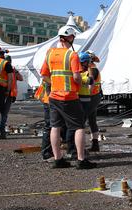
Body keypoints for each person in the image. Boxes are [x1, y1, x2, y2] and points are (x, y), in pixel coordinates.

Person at [40, 26, 96, 169]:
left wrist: (56, 84)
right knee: (79, 127)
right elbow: (77, 77)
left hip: (53, 96)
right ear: (70, 38)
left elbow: (45, 76)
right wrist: (82, 81)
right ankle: (81, 160)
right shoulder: (72, 55)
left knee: (55, 127)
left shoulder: (49, 53)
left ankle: (58, 159)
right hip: (69, 96)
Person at [77, 51, 102, 152]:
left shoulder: (92, 70)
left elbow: (90, 86)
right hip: (94, 97)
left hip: (91, 97)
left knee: (82, 120)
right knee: (92, 120)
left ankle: (80, 146)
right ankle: (95, 144)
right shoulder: (90, 69)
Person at [0, 55, 23, 139]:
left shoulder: (13, 70)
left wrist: (16, 72)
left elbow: (21, 78)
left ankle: (0, 131)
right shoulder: (2, 70)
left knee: (2, 113)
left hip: (9, 95)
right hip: (2, 93)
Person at [34, 81, 53, 160]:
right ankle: (47, 151)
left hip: (49, 100)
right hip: (55, 99)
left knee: (50, 126)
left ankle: (47, 151)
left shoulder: (48, 70)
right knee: (52, 126)